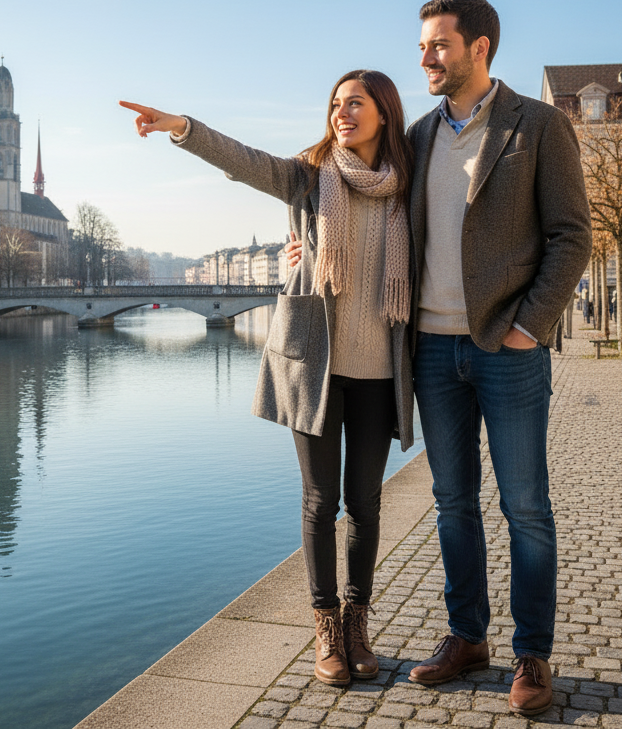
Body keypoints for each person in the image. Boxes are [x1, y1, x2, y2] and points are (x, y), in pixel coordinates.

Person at [119, 69, 416, 688]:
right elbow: (243, 161)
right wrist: (181, 128)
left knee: (365, 502)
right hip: (313, 362)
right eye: (335, 103)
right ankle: (326, 628)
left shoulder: (407, 187)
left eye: (355, 103)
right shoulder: (310, 178)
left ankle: (359, 622)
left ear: (384, 112)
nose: (342, 112)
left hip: (379, 366)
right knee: (319, 502)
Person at [404, 0, 590, 716]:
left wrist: (529, 327)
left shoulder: (537, 124)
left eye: (438, 45)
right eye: (422, 45)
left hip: (507, 350)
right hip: (431, 349)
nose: (424, 57)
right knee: (453, 503)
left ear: (479, 48)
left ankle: (533, 655)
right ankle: (466, 637)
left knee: (526, 507)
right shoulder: (417, 136)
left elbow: (572, 236)